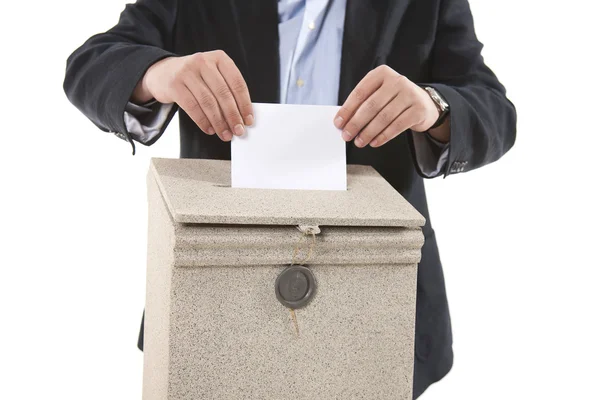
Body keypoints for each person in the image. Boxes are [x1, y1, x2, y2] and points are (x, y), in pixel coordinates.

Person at [63, 0, 516, 397]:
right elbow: (91, 64)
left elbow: (493, 108)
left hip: (379, 295)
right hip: (216, 287)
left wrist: (432, 105)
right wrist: (158, 72)